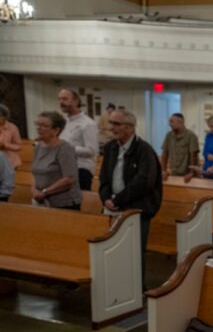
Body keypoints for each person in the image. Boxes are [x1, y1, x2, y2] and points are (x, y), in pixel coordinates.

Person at [99, 109, 163, 286]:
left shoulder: (144, 150)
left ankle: (135, 290)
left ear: (130, 127)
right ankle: (118, 286)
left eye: (116, 124)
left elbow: (144, 182)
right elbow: (104, 177)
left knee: (134, 252)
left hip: (136, 209)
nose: (111, 128)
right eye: (111, 123)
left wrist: (117, 200)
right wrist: (105, 198)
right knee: (114, 250)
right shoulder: (110, 148)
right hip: (113, 206)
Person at [30, 111, 82, 210]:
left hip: (64, 203)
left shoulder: (64, 149)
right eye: (37, 124)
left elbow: (69, 179)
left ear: (56, 130)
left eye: (44, 125)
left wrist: (45, 192)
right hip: (40, 200)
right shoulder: (38, 147)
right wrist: (34, 190)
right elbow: (35, 173)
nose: (38, 128)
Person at [58, 88, 99, 191]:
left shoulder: (88, 123)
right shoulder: (65, 122)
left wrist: (66, 148)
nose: (61, 102)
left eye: (65, 99)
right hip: (64, 169)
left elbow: (91, 151)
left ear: (76, 101)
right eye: (59, 99)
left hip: (81, 171)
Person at [160, 113, 199, 182]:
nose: (170, 124)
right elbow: (164, 154)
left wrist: (191, 173)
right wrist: (163, 170)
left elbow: (193, 156)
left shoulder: (191, 136)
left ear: (181, 122)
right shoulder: (169, 135)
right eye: (170, 122)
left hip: (187, 175)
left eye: (172, 122)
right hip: (173, 173)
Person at [0, 103, 22, 170]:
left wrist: (5, 145)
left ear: (5, 116)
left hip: (10, 163)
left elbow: (19, 146)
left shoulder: (12, 128)